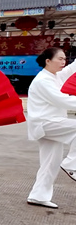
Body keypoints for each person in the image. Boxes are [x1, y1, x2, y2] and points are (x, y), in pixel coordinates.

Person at [26, 47, 76, 209]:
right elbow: (61, 100)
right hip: (46, 123)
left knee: (50, 163)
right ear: (48, 61)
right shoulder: (43, 80)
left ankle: (38, 196)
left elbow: (71, 68)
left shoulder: (54, 76)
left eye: (64, 58)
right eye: (60, 59)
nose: (63, 62)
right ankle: (71, 163)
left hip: (50, 124)